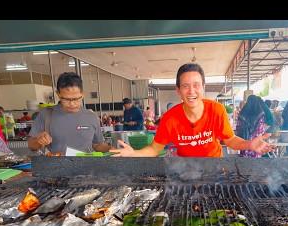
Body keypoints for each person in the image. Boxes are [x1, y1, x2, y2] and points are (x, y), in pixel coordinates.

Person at [110, 63, 274, 158]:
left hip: (214, 171)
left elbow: (230, 140)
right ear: (178, 90)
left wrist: (249, 144)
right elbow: (154, 149)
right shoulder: (170, 118)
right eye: (185, 86)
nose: (191, 91)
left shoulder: (217, 110)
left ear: (203, 87)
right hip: (185, 173)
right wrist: (133, 153)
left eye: (196, 85)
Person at [28, 72, 111, 154]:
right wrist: (39, 141)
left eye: (76, 99)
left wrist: (113, 149)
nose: (72, 104)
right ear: (58, 94)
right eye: (66, 99)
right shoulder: (46, 114)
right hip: (57, 165)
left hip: (86, 165)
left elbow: (97, 144)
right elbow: (31, 146)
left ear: (82, 94)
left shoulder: (91, 117)